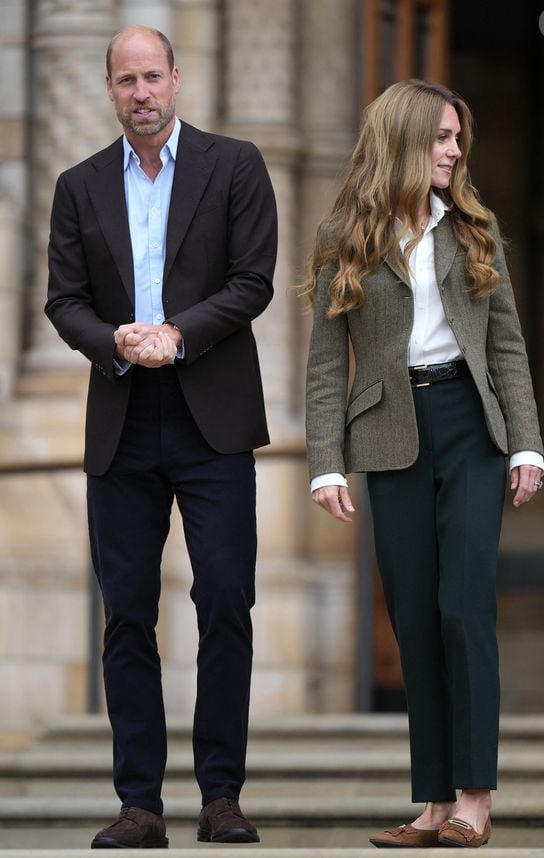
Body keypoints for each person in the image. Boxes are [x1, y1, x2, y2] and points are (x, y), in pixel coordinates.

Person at [46, 25, 277, 849]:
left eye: (154, 77)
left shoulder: (235, 166)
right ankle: (139, 802)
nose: (141, 93)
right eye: (126, 81)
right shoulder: (77, 185)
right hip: (122, 420)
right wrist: (115, 340)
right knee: (126, 616)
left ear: (177, 80)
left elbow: (254, 280)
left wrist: (177, 332)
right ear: (109, 88)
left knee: (224, 599)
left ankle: (222, 796)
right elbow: (62, 300)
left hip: (210, 418)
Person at [303, 79, 544, 849]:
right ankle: (434, 804)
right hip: (388, 434)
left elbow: (505, 343)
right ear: (405, 141)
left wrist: (527, 440)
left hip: (471, 426)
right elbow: (322, 364)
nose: (454, 150)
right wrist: (325, 462)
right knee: (412, 618)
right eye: (441, 136)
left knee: (462, 606)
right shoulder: (346, 233)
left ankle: (476, 797)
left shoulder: (473, 227)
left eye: (457, 137)